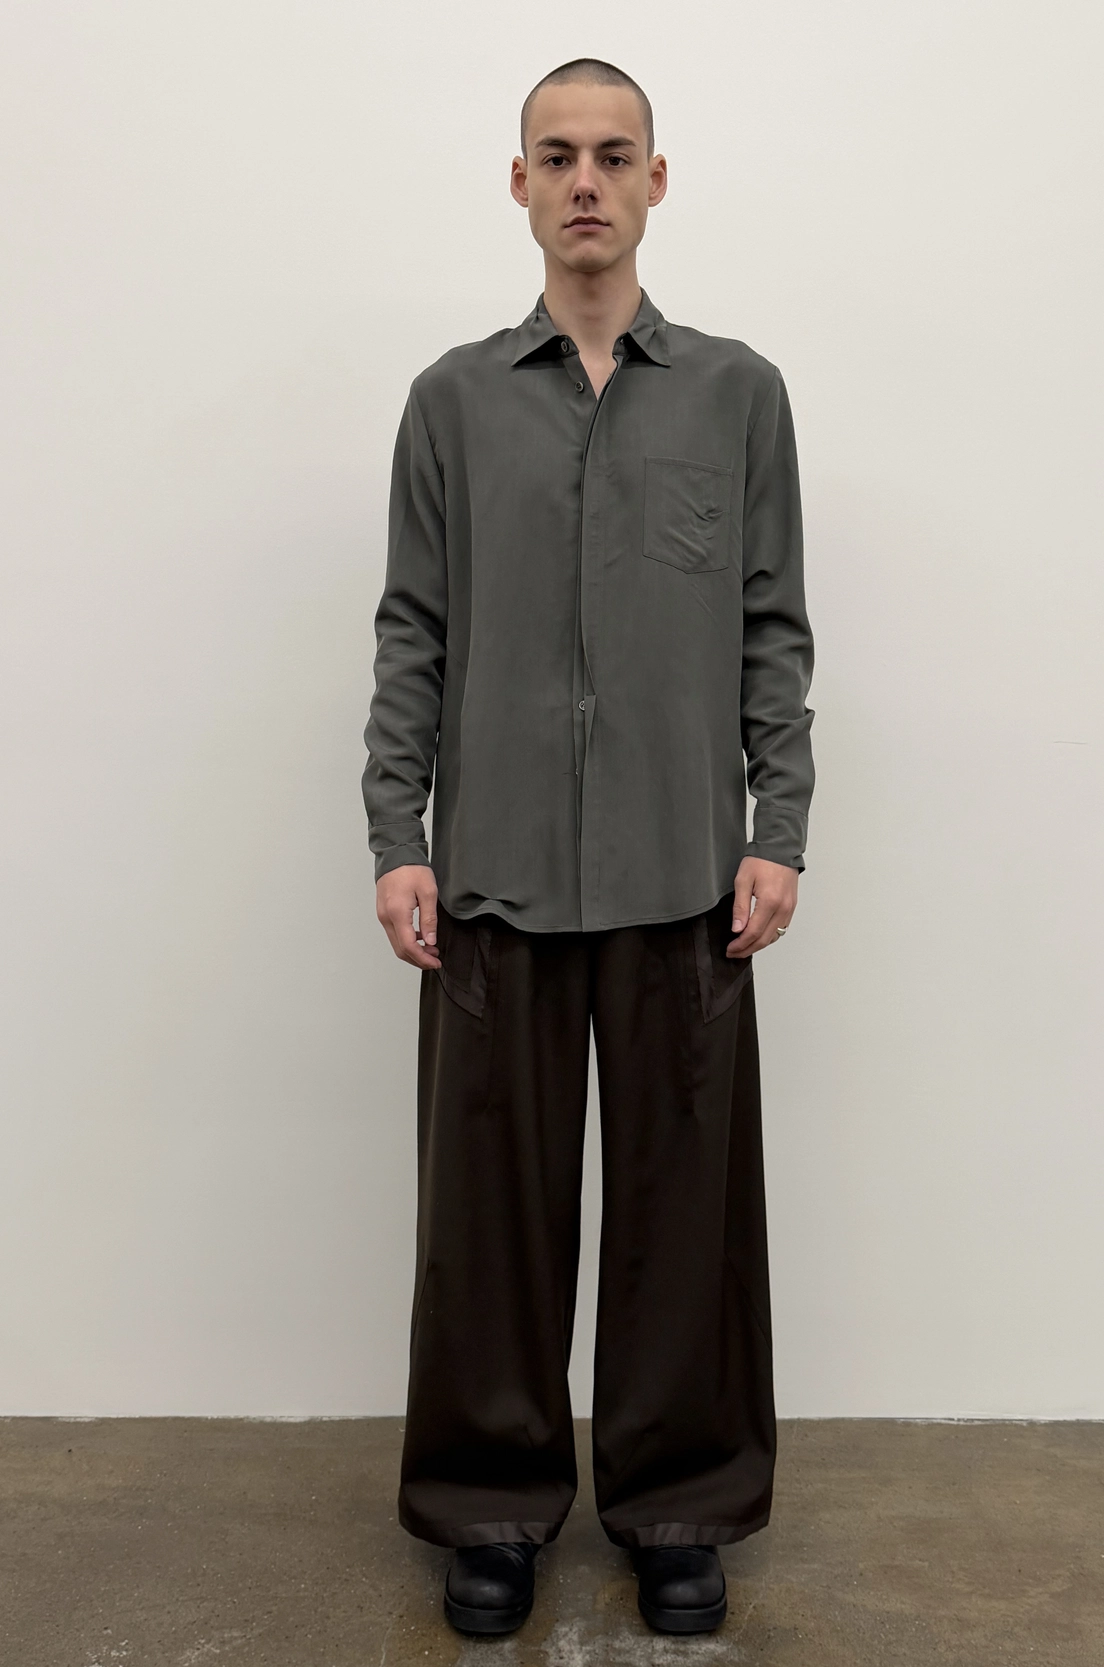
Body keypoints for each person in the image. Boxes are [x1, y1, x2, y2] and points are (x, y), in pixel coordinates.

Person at [361, 57, 814, 1638]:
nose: (584, 182)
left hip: (683, 874)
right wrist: (397, 833)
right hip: (490, 876)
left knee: (687, 1216)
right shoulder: (452, 400)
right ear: (518, 182)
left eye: (613, 155)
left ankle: (678, 1503)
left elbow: (771, 627)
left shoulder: (737, 395)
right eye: (555, 155)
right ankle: (488, 1505)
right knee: (487, 1219)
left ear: (655, 180)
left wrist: (776, 827)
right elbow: (412, 630)